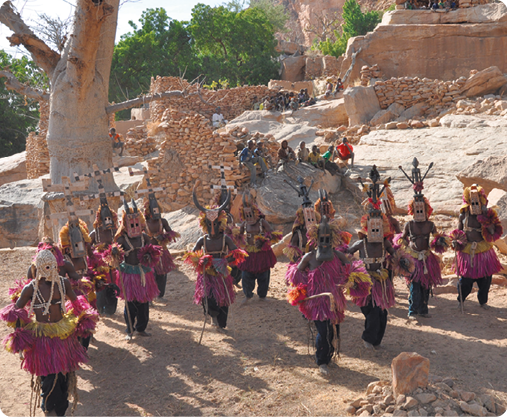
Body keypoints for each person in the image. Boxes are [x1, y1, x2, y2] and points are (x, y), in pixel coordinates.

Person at [1, 249, 98, 417]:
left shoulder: (63, 283)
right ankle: (48, 409)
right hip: (41, 339)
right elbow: (15, 309)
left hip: (62, 336)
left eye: (52, 266)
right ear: (37, 268)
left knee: (64, 376)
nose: (49, 270)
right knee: (48, 377)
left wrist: (84, 318)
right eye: (45, 267)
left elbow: (77, 303)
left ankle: (59, 410)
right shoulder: (30, 288)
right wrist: (20, 330)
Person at [286, 217, 365, 375]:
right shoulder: (309, 257)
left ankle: (328, 356)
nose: (324, 242)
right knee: (323, 332)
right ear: (315, 239)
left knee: (334, 330)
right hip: (317, 303)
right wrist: (303, 288)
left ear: (333, 239)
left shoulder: (338, 256)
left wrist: (350, 280)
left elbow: (350, 269)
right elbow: (296, 273)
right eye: (321, 239)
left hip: (334, 302)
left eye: (327, 239)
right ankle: (321, 361)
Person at [347, 167, 412, 350]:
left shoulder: (385, 244)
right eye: (372, 227)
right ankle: (369, 336)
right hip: (365, 282)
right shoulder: (362, 243)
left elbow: (396, 254)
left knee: (381, 312)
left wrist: (403, 261)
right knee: (370, 310)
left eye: (378, 227)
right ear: (367, 228)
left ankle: (376, 340)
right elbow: (348, 252)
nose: (375, 231)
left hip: (382, 283)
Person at [185, 190, 247, 329]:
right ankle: (212, 315)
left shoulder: (225, 239)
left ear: (221, 224)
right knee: (209, 298)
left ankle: (221, 322)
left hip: (221, 274)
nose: (212, 229)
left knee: (223, 299)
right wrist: (201, 260)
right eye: (209, 225)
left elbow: (236, 252)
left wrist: (228, 259)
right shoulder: (202, 240)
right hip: (206, 274)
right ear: (205, 224)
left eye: (215, 225)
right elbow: (193, 255)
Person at [398, 159, 448, 319]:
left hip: (426, 258)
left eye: (422, 209)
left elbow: (436, 239)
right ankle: (413, 310)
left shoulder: (430, 224)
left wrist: (441, 241)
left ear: (426, 210)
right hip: (414, 259)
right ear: (412, 210)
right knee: (414, 286)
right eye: (417, 209)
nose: (419, 211)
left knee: (426, 286)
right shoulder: (409, 225)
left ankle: (423, 310)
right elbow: (402, 240)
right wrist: (404, 255)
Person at [115, 199, 161, 339]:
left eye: (136, 223)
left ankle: (141, 328)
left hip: (143, 274)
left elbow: (153, 251)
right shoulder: (122, 239)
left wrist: (149, 255)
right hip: (129, 274)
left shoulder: (144, 237)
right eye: (131, 224)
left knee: (144, 302)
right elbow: (114, 249)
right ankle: (129, 330)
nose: (134, 226)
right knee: (130, 303)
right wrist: (114, 252)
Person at [452, 184, 503, 309]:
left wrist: (486, 218)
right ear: (468, 201)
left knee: (485, 279)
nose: (475, 204)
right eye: (472, 201)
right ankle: (461, 300)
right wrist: (455, 242)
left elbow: (492, 232)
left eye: (477, 201)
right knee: (465, 280)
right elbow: (459, 233)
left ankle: (482, 301)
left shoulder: (488, 215)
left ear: (482, 201)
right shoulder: (463, 215)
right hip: (467, 251)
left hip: (483, 251)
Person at [237, 192, 282, 303]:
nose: (249, 217)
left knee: (264, 275)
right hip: (249, 252)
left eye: (251, 214)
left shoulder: (262, 222)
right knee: (246, 275)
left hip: (262, 253)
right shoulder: (244, 224)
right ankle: (247, 295)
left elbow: (273, 234)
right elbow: (238, 236)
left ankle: (262, 295)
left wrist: (263, 241)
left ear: (256, 213)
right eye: (246, 215)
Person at [142, 193, 180, 299]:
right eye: (154, 211)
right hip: (149, 253)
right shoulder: (143, 223)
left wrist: (163, 237)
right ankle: (150, 295)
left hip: (162, 252)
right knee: (150, 274)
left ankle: (160, 294)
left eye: (157, 210)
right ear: (149, 212)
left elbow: (171, 233)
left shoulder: (163, 221)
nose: (156, 213)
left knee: (162, 274)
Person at [88, 200, 121, 316]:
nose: (107, 221)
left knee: (112, 286)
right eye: (105, 219)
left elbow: (122, 243)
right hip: (99, 267)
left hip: (112, 266)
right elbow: (87, 245)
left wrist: (116, 250)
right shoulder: (95, 233)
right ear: (100, 220)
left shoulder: (115, 232)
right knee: (101, 287)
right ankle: (101, 308)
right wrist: (94, 254)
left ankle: (111, 308)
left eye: (109, 219)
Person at [283, 180, 321, 264]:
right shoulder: (298, 234)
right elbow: (293, 252)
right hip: (301, 263)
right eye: (308, 218)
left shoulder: (318, 232)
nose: (310, 220)